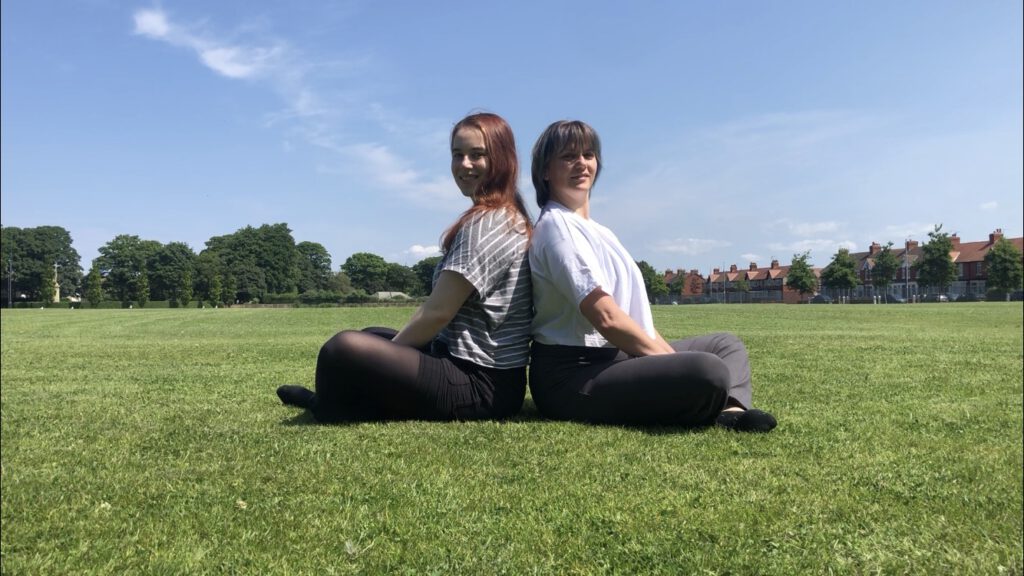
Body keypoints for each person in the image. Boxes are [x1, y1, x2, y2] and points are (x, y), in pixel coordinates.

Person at [277, 112, 533, 422]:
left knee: (340, 350)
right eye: (457, 155)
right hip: (483, 373)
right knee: (372, 335)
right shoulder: (505, 215)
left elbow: (437, 313)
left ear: (502, 158)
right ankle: (348, 399)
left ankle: (326, 407)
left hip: (480, 383)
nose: (464, 164)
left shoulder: (487, 224)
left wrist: (385, 362)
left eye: (477, 155)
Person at [526, 120, 777, 431]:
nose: (581, 163)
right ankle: (709, 403)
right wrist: (668, 362)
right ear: (545, 171)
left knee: (726, 345)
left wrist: (667, 359)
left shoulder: (600, 231)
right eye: (568, 156)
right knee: (708, 370)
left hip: (617, 357)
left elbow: (634, 320)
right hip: (571, 377)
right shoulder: (557, 228)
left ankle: (731, 413)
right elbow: (606, 318)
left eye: (588, 154)